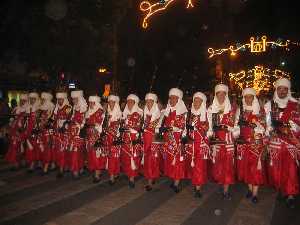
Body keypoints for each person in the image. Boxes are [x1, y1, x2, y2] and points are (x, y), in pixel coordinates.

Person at [265, 78, 300, 208]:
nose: (282, 91)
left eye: (285, 89)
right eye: (280, 88)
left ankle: (290, 194)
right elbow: (267, 124)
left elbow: (298, 125)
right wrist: (270, 130)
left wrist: (291, 127)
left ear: (288, 90)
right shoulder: (270, 105)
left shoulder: (295, 105)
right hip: (275, 143)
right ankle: (281, 188)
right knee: (276, 170)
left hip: (290, 143)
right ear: (276, 90)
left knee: (291, 170)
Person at [207, 84, 240, 199]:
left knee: (228, 166)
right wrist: (210, 133)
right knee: (218, 165)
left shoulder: (233, 109)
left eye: (223, 94)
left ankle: (226, 190)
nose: (221, 96)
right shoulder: (211, 109)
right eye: (218, 94)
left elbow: (236, 128)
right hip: (216, 142)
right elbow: (209, 126)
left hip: (228, 142)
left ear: (226, 95)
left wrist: (229, 128)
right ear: (216, 95)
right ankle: (221, 183)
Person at [236, 88, 266, 203]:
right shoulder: (241, 111)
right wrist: (236, 134)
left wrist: (256, 125)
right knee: (246, 168)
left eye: (250, 97)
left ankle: (255, 194)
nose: (248, 99)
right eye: (246, 97)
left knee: (255, 169)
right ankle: (249, 189)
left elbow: (264, 127)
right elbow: (236, 127)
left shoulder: (260, 111)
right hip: (243, 144)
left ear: (254, 98)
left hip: (255, 145)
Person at [161, 88, 187, 193]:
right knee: (170, 160)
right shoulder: (167, 111)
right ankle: (173, 179)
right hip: (169, 140)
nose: (171, 100)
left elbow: (182, 126)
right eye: (170, 98)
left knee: (178, 162)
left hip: (177, 140)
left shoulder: (182, 112)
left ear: (178, 99)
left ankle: (176, 183)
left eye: (174, 98)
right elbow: (162, 124)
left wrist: (170, 128)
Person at [185, 92, 210, 198]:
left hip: (201, 144)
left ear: (203, 102)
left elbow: (208, 130)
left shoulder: (206, 114)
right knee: (193, 165)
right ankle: (196, 182)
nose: (196, 103)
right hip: (191, 143)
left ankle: (198, 188)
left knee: (199, 165)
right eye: (195, 100)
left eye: (199, 101)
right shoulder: (190, 114)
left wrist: (199, 126)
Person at [121, 94, 143, 188]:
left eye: (131, 102)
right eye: (128, 102)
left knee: (133, 157)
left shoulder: (138, 113)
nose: (129, 103)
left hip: (133, 138)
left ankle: (132, 178)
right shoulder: (125, 114)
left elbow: (138, 127)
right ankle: (128, 173)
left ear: (135, 103)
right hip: (125, 137)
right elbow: (122, 125)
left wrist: (128, 127)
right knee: (126, 156)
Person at [143, 93, 162, 191]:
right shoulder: (145, 112)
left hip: (153, 139)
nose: (148, 103)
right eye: (147, 101)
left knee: (151, 159)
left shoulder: (158, 113)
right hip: (146, 138)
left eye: (151, 101)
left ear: (154, 102)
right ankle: (153, 175)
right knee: (148, 159)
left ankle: (150, 181)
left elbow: (157, 129)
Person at [5, 94, 28, 169]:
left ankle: (18, 163)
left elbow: (26, 122)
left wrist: (22, 130)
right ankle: (16, 163)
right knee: (14, 147)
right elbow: (11, 120)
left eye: (24, 101)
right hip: (14, 131)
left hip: (21, 131)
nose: (22, 102)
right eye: (21, 100)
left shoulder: (27, 110)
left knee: (20, 148)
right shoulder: (16, 109)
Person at [85, 95, 105, 183]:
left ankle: (97, 174)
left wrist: (91, 125)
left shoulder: (100, 111)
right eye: (90, 102)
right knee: (91, 155)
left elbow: (99, 123)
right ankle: (97, 171)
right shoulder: (88, 111)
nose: (90, 104)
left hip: (97, 136)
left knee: (97, 155)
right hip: (89, 136)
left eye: (92, 102)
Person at [68, 90, 87, 179]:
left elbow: (84, 122)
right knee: (77, 152)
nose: (73, 100)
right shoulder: (74, 108)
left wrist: (79, 125)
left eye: (75, 99)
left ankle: (76, 170)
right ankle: (80, 167)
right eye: (73, 99)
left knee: (76, 152)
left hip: (79, 134)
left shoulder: (84, 109)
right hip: (72, 133)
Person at [53, 92, 72, 178]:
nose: (59, 101)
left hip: (65, 133)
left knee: (64, 151)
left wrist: (64, 126)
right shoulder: (56, 108)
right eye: (58, 99)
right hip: (58, 132)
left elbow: (70, 120)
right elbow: (54, 119)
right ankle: (62, 167)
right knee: (60, 151)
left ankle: (62, 169)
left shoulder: (68, 107)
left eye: (61, 99)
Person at [106, 95, 122, 185]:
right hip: (108, 138)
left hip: (115, 138)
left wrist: (110, 128)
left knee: (114, 157)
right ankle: (114, 172)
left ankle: (112, 175)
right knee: (112, 157)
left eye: (112, 102)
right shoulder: (107, 113)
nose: (110, 104)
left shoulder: (119, 114)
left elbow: (118, 126)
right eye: (109, 102)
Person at [22, 92, 40, 172]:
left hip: (36, 130)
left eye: (33, 99)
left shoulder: (38, 108)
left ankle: (36, 163)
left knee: (36, 146)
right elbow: (25, 120)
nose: (32, 100)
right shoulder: (28, 108)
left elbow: (39, 120)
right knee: (30, 147)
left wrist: (36, 129)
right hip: (29, 129)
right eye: (31, 99)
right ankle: (32, 163)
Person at [38, 92, 55, 175]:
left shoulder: (51, 110)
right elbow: (39, 120)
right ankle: (50, 164)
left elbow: (51, 121)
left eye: (44, 99)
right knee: (43, 148)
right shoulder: (41, 109)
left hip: (48, 131)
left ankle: (46, 168)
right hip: (42, 131)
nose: (42, 100)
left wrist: (46, 123)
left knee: (48, 148)